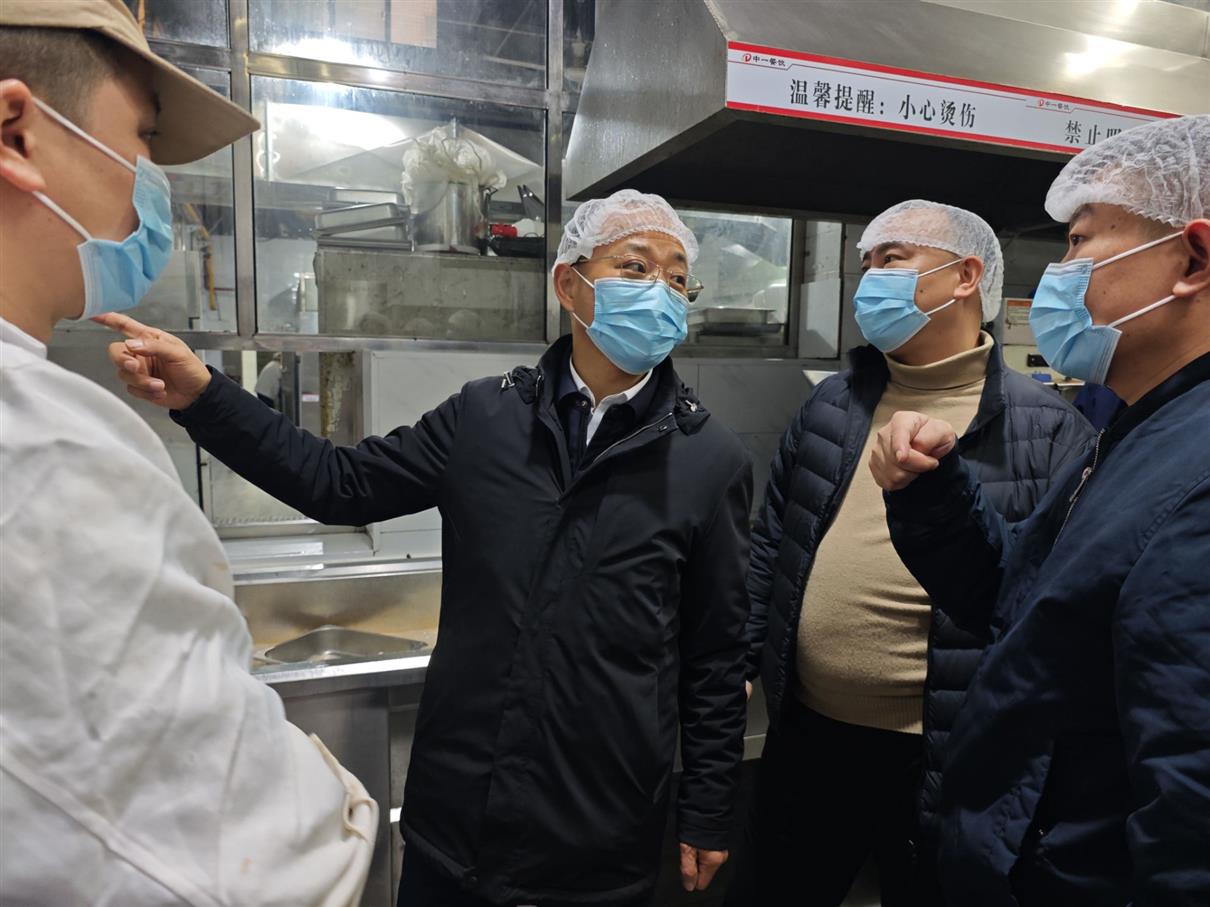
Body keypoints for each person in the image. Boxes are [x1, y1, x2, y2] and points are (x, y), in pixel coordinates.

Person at [100, 188, 754, 906]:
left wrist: (707, 807)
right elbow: (338, 483)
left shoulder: (708, 460)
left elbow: (717, 655)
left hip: (599, 838)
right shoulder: (484, 418)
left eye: (676, 279)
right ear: (569, 286)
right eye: (634, 267)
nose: (659, 290)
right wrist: (206, 397)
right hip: (457, 826)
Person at [0, 2, 377, 904]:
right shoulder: (43, 450)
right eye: (142, 137)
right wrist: (341, 802)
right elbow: (251, 864)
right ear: (17, 133)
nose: (152, 187)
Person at [871, 114, 1210, 906]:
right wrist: (934, 493)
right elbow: (1022, 602)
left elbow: (1193, 809)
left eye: (1081, 239)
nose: (1060, 271)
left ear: (1193, 259)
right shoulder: (1140, 428)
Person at [729, 200, 1093, 906]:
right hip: (808, 737)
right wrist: (741, 661)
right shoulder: (831, 404)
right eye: (867, 263)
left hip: (946, 753)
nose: (871, 279)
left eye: (891, 259)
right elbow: (773, 540)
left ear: (966, 277)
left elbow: (1045, 606)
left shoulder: (1050, 431)